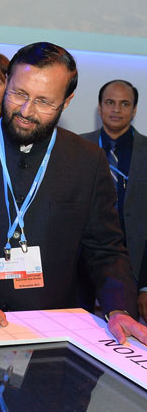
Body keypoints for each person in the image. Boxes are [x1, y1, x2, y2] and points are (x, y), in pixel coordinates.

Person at [0, 42, 147, 346]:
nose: (26, 111)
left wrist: (119, 308)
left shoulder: (87, 161)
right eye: (19, 94)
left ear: (66, 102)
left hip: (53, 336)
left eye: (44, 101)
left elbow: (106, 249)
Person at [80, 80, 147, 320]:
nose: (116, 109)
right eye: (110, 102)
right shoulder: (77, 147)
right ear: (99, 107)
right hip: (80, 264)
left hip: (132, 266)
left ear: (135, 110)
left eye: (124, 104)